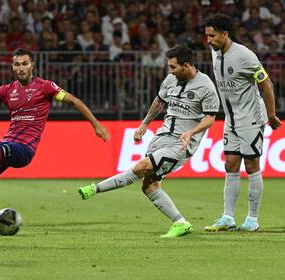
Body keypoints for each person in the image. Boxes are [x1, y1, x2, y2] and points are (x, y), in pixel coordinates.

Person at [0, 48, 110, 227]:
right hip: (8, 143)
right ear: (12, 67)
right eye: (17, 64)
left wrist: (96, 125)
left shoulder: (45, 87)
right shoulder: (7, 90)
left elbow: (74, 101)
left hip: (24, 148)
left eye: (25, 63)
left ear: (32, 65)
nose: (21, 68)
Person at [78, 45, 220, 238]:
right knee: (149, 186)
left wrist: (192, 132)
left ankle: (95, 188)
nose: (169, 71)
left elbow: (211, 118)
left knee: (142, 167)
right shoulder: (171, 79)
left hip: (181, 144)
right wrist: (144, 124)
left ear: (186, 65)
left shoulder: (206, 86)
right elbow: (159, 101)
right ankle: (181, 223)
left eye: (173, 67)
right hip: (162, 136)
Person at [203, 13, 281, 232]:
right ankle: (228, 217)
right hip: (231, 119)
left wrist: (271, 114)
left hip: (251, 118)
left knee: (252, 165)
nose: (208, 40)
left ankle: (253, 219)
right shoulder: (215, 51)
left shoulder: (245, 56)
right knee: (230, 165)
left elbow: (266, 84)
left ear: (225, 34)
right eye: (207, 36)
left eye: (212, 36)